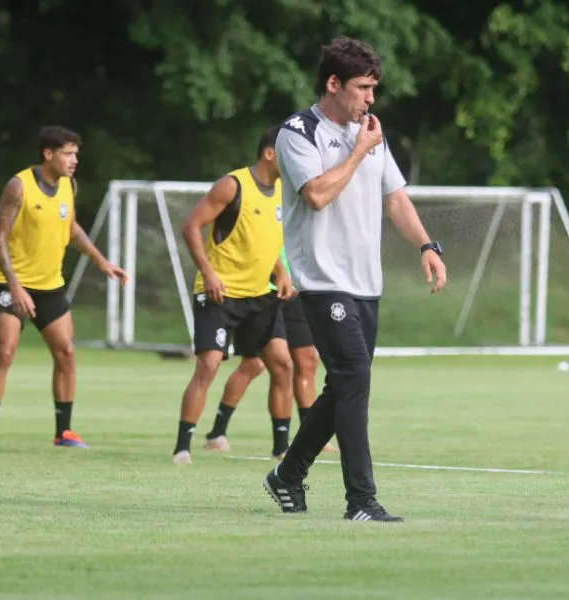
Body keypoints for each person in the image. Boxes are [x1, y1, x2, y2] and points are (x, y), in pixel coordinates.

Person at [262, 36, 447, 522]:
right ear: (333, 83)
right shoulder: (297, 132)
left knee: (344, 385)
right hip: (323, 280)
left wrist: (426, 246)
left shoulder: (371, 133)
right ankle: (360, 500)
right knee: (354, 379)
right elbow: (318, 194)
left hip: (366, 282)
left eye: (373, 89)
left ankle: (287, 475)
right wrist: (359, 149)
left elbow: (395, 198)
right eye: (363, 88)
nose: (371, 99)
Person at [0, 125, 128, 449]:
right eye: (68, 154)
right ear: (48, 154)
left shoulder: (69, 185)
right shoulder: (19, 186)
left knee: (67, 353)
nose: (74, 161)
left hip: (49, 286)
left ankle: (64, 432)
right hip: (10, 282)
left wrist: (101, 261)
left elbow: (70, 228)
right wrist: (15, 286)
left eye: (75, 154)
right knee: (5, 352)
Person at [173, 126, 295, 465]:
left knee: (282, 365)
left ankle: (281, 448)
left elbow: (262, 240)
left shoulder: (284, 191)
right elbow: (190, 226)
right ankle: (182, 447)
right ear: (270, 153)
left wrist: (280, 272)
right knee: (209, 365)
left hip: (260, 296)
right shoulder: (232, 185)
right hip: (221, 293)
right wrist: (208, 273)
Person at [203, 246, 338, 454]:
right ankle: (217, 433)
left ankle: (310, 434)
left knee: (308, 358)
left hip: (296, 287)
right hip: (262, 289)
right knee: (254, 364)